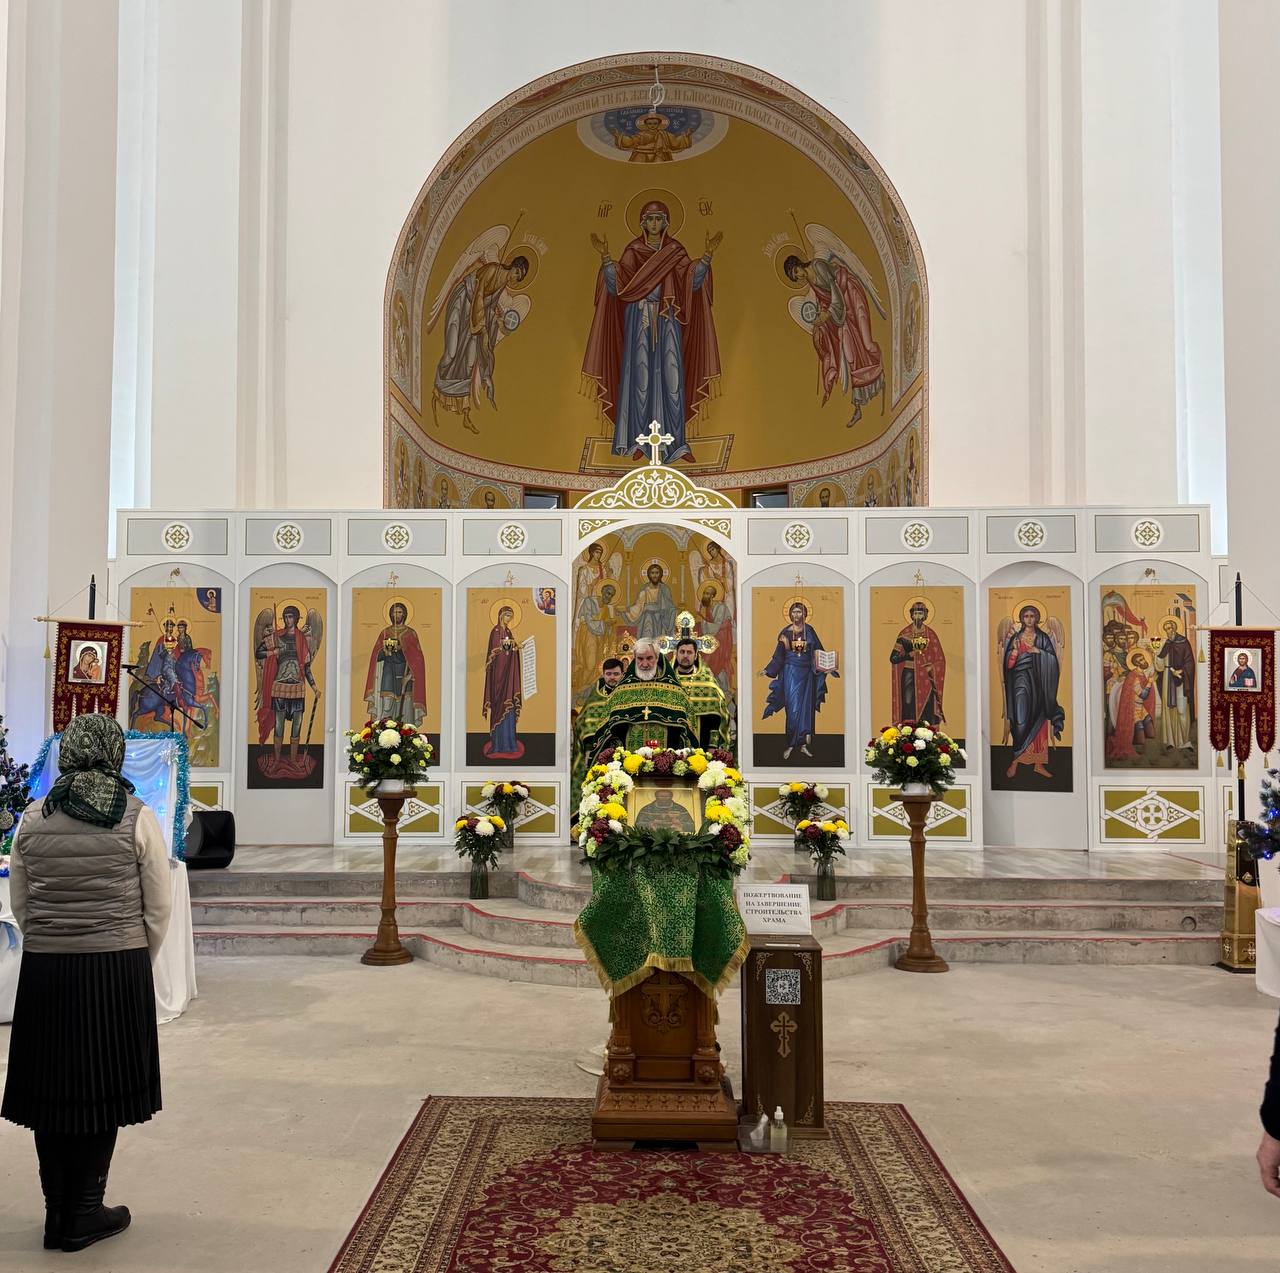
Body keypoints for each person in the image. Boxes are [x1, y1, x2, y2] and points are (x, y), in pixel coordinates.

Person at [2, 714, 171, 1252]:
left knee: (52, 1090)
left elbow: (21, 902)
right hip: (114, 964)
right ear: (113, 753)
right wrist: (138, 954)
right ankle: (85, 1211)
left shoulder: (32, 816)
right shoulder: (136, 815)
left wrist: (49, 939)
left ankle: (57, 1214)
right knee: (103, 1087)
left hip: (47, 969)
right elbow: (158, 906)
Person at [582, 200, 722, 464]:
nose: (654, 223)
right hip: (641, 318)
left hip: (669, 318)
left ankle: (677, 444)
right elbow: (616, 286)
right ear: (643, 223)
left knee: (672, 378)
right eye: (650, 219)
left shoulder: (675, 252)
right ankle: (639, 440)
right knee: (641, 378)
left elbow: (693, 281)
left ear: (666, 223)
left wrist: (706, 257)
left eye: (659, 219)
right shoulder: (633, 251)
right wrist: (605, 258)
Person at [784, 250, 884, 426]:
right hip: (841, 312)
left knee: (866, 344)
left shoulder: (818, 266)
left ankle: (882, 377)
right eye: (795, 277)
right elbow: (825, 300)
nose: (799, 276)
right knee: (850, 354)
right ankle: (858, 407)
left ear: (799, 264)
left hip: (851, 297)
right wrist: (819, 322)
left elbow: (836, 291)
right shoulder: (811, 282)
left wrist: (828, 314)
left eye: (796, 272)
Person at [430, 256, 529, 432]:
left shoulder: (501, 288)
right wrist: (481, 327)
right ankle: (435, 395)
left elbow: (488, 311)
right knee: (451, 353)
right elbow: (478, 296)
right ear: (512, 266)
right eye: (516, 272)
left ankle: (465, 414)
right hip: (462, 304)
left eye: (518, 277)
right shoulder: (492, 270)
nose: (515, 278)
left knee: (469, 363)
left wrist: (497, 323)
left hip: (476, 318)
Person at [588, 638, 696, 758]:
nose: (644, 664)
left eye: (649, 658)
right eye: (640, 659)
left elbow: (688, 728)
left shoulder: (674, 689)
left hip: (668, 761)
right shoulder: (622, 689)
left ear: (657, 657)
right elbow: (607, 728)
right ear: (634, 657)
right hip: (628, 762)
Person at [762, 602, 834, 761]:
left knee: (806, 709)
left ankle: (803, 745)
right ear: (790, 614)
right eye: (794, 612)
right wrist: (768, 670)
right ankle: (790, 744)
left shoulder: (810, 631)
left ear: (805, 614)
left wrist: (827, 667)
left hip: (807, 673)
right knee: (793, 709)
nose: (796, 615)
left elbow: (818, 651)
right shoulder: (785, 632)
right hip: (791, 673)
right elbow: (778, 656)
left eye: (799, 612)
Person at [1000, 605, 1065, 779]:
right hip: (1020, 685)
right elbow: (1008, 666)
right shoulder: (1016, 638)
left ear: (1037, 618)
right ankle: (1015, 761)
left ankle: (1039, 764)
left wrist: (1039, 652)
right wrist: (1015, 651)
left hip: (1039, 685)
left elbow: (1053, 662)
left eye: (1032, 616)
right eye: (1026, 616)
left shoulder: (1043, 638)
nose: (1029, 619)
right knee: (1020, 722)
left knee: (1040, 722)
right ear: (1022, 618)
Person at [255, 605, 319, 775]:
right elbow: (258, 653)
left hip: (297, 688)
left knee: (297, 725)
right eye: (285, 617)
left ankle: (293, 760)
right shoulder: (276, 637)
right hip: (280, 687)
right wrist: (272, 652)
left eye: (291, 616)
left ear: (297, 618)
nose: (288, 620)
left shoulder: (302, 639)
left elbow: (306, 668)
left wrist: (314, 687)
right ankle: (276, 761)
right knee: (279, 725)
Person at [363, 601, 427, 726]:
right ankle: (385, 731)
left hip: (405, 673)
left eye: (399, 612)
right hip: (388, 673)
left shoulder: (410, 633)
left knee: (405, 707)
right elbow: (376, 656)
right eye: (394, 612)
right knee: (387, 704)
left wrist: (409, 675)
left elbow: (417, 659)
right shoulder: (385, 633)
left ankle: (406, 732)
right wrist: (385, 652)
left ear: (404, 614)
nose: (397, 615)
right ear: (390, 614)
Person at [571, 658, 625, 798]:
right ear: (603, 675)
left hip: (623, 751)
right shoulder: (595, 697)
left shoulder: (627, 695)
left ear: (622, 674)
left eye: (616, 674)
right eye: (608, 674)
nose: (612, 677)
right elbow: (584, 720)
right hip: (596, 752)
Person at [890, 600, 946, 725]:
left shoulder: (931, 635)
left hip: (926, 677)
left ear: (925, 615)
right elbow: (893, 658)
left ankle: (927, 733)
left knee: (927, 707)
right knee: (908, 703)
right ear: (911, 615)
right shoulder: (904, 634)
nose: (918, 617)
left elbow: (940, 659)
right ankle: (908, 732)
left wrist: (932, 667)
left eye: (920, 613)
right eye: (915, 613)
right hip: (909, 675)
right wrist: (908, 655)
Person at [672, 636, 730, 750]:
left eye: (689, 652)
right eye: (682, 652)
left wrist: (712, 746)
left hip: (702, 747)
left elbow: (715, 718)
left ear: (695, 656)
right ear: (676, 654)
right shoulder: (668, 681)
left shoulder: (707, 682)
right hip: (672, 745)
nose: (685, 655)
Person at [483, 604, 523, 760]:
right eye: (507, 616)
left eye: (511, 617)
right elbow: (495, 653)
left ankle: (510, 744)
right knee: (500, 707)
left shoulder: (508, 632)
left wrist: (515, 649)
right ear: (500, 616)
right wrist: (510, 648)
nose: (509, 619)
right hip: (498, 679)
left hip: (508, 678)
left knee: (509, 707)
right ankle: (498, 745)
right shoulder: (496, 631)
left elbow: (508, 651)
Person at [1154, 618, 1196, 752]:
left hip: (1181, 680)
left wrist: (1182, 671)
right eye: (1166, 629)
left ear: (1175, 628)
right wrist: (1156, 654)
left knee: (1182, 710)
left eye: (1170, 628)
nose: (1169, 631)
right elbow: (1160, 667)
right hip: (1167, 678)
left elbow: (1190, 662)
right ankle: (1171, 741)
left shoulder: (1183, 642)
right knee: (1169, 710)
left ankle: (1185, 741)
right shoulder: (1166, 644)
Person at [626, 562, 677, 641]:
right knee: (648, 618)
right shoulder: (645, 588)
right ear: (649, 575)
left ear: (660, 574)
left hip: (661, 620)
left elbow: (669, 607)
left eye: (657, 573)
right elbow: (638, 606)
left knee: (659, 642)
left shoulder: (665, 589)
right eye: (652, 573)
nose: (654, 575)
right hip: (647, 620)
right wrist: (626, 611)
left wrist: (673, 611)